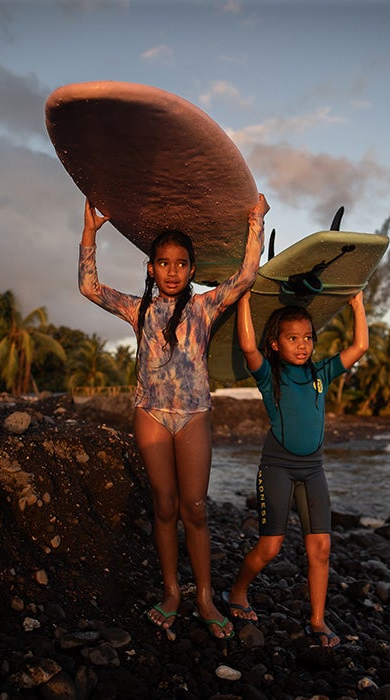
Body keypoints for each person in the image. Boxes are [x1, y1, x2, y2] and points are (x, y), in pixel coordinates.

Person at [78, 193, 268, 639]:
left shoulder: (204, 307)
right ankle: (172, 592)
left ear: (192, 270)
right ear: (151, 268)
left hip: (194, 415)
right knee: (164, 506)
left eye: (181, 264)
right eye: (163, 263)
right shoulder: (139, 309)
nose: (172, 271)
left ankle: (204, 596)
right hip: (151, 414)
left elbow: (245, 277)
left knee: (195, 508)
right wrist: (90, 233)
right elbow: (89, 288)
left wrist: (255, 222)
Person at [223, 290, 368, 648]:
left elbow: (360, 346)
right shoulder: (268, 373)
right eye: (293, 338)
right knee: (270, 547)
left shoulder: (322, 372)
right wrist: (244, 299)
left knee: (320, 548)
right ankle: (238, 591)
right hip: (277, 466)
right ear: (276, 343)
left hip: (314, 470)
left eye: (307, 338)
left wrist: (357, 305)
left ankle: (317, 621)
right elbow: (246, 346)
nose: (302, 345)